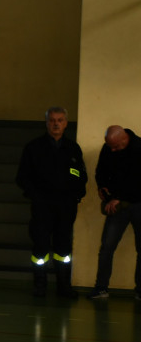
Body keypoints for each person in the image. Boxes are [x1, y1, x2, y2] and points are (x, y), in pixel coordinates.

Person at [15, 106, 87, 298]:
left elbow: (81, 175)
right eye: (52, 120)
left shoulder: (73, 148)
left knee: (63, 248)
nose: (56, 123)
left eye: (60, 120)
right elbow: (22, 177)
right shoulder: (34, 148)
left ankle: (64, 287)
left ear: (66, 123)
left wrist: (77, 195)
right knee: (40, 247)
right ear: (47, 123)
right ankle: (40, 286)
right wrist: (35, 196)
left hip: (66, 207)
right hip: (42, 206)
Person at [87, 125, 141, 299]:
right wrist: (103, 188)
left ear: (124, 139)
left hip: (138, 204)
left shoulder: (139, 148)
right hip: (116, 205)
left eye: (116, 146)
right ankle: (101, 287)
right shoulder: (109, 147)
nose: (113, 150)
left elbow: (136, 179)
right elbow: (101, 171)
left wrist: (118, 196)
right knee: (107, 247)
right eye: (110, 146)